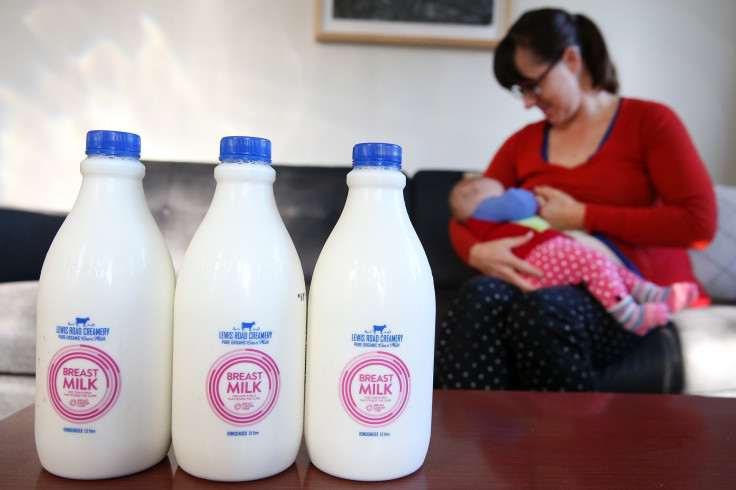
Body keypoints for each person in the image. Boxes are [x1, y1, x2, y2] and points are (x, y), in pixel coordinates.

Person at [435, 8, 717, 392]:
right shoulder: (523, 144)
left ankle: (575, 449)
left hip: (624, 292)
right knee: (477, 295)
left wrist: (583, 215)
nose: (528, 103)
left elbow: (698, 224)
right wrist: (476, 254)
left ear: (571, 59)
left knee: (542, 312)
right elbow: (466, 212)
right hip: (545, 277)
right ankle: (467, 443)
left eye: (533, 86)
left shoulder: (650, 123)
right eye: (521, 92)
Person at [449, 176, 699, 334]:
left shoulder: (486, 212)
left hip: (547, 252)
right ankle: (629, 314)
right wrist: (531, 196)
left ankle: (652, 293)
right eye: (499, 192)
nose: (506, 193)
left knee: (607, 265)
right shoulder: (481, 212)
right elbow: (518, 203)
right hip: (537, 257)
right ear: (475, 198)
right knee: (595, 263)